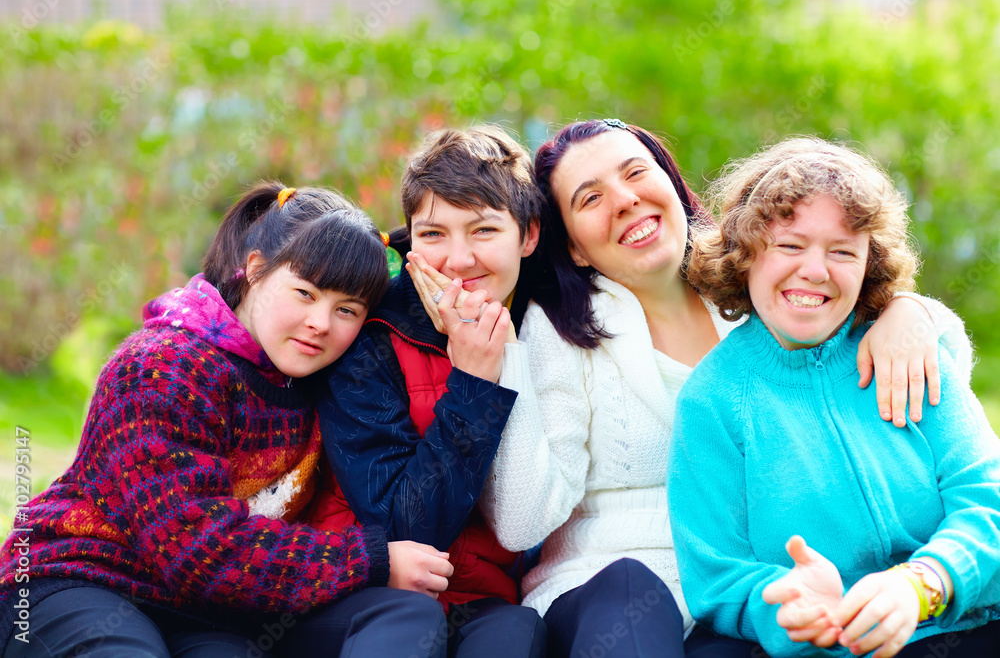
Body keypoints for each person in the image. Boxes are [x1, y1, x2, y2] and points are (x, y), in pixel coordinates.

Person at [478, 120, 972, 657]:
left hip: (768, 581)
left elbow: (919, 360)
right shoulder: (562, 329)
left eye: (635, 172)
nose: (623, 200)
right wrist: (507, 365)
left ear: (670, 184)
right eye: (590, 197)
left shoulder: (761, 285)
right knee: (635, 597)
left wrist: (909, 309)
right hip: (629, 588)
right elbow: (521, 520)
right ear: (572, 246)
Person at [0, 182, 456, 658]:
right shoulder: (163, 367)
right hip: (78, 583)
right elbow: (196, 549)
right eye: (304, 293)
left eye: (347, 309)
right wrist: (370, 559)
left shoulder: (315, 382)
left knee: (405, 613)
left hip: (210, 609)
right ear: (255, 271)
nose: (322, 322)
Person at [669, 137, 1000, 658]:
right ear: (746, 252)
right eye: (791, 245)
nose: (816, 271)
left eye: (843, 251)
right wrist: (791, 611)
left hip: (964, 620)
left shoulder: (908, 349)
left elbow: (986, 494)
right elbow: (718, 576)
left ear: (868, 264)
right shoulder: (712, 399)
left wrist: (924, 584)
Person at [309, 126, 547, 657]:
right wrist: (473, 382)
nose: (458, 260)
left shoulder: (549, 322)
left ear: (528, 236)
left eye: (483, 231)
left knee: (516, 633)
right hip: (371, 593)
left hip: (486, 595)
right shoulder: (369, 336)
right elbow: (405, 529)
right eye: (434, 234)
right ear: (411, 238)